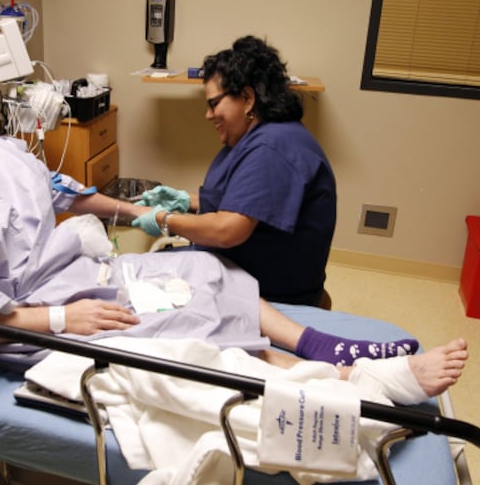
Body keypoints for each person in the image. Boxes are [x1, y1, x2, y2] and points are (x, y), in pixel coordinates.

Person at [0, 41, 464, 398]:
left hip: (72, 275)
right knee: (180, 320)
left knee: (198, 270)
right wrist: (65, 317)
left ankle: (325, 362)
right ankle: (343, 385)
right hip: (30, 319)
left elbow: (66, 194)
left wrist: (137, 211)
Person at [133, 36, 336, 308]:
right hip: (253, 269)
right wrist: (186, 200)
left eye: (214, 103)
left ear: (248, 98)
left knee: (137, 281)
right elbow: (245, 201)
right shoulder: (264, 136)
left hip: (272, 292)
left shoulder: (272, 148)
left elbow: (227, 230)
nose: (208, 115)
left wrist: (164, 219)